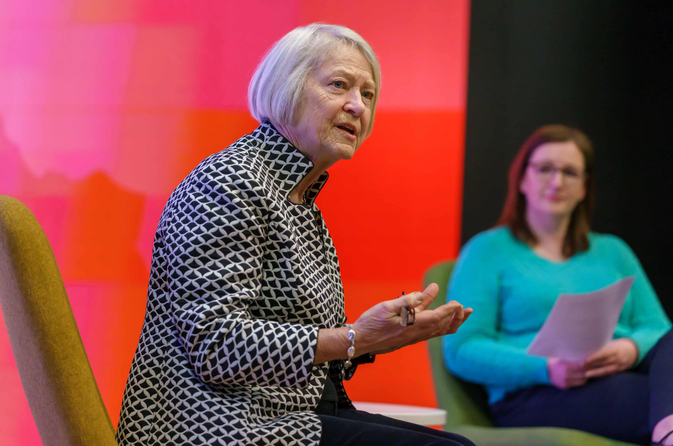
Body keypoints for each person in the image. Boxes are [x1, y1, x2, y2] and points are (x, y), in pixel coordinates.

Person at [116, 24, 475, 446]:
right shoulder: (228, 181)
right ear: (287, 88)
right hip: (219, 424)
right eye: (339, 85)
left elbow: (312, 353)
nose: (357, 106)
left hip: (292, 413)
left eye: (368, 94)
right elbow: (214, 343)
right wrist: (353, 337)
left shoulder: (299, 199)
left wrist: (377, 337)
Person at [443, 124, 673, 446]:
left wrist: (630, 350)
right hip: (536, 392)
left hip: (622, 372)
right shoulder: (486, 251)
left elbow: (658, 329)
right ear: (522, 179)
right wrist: (545, 368)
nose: (557, 182)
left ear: (585, 186)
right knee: (664, 399)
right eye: (545, 169)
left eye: (570, 172)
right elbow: (462, 348)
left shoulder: (613, 251)